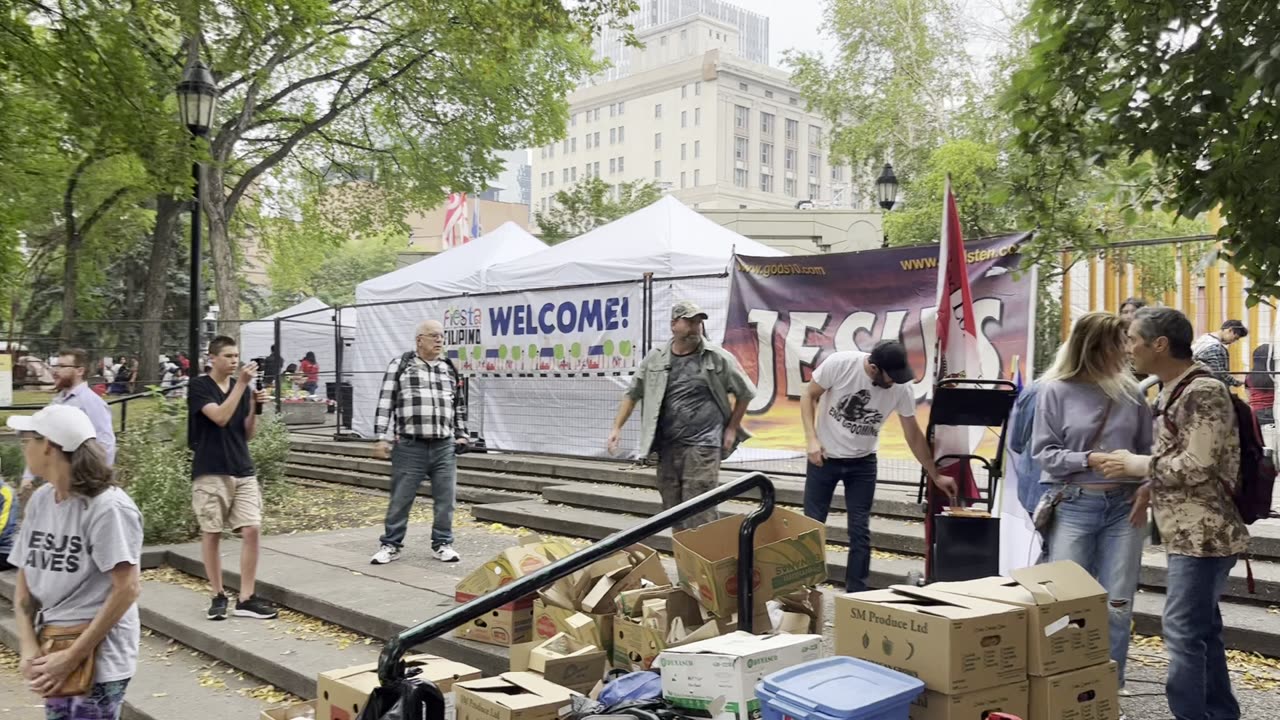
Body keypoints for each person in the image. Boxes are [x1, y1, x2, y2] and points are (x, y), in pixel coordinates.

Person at [1097, 307, 1249, 720]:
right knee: (1203, 632)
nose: (1128, 349)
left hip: (1206, 534)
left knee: (1181, 632)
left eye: (1133, 340)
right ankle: (1219, 714)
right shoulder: (1173, 388)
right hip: (1187, 530)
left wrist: (1136, 466)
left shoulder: (1203, 390)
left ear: (1159, 344)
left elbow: (1199, 464)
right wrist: (1151, 485)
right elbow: (1179, 457)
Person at [1030, 312, 1152, 689]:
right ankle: (1062, 686)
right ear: (1096, 347)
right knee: (1065, 602)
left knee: (1118, 603)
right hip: (1074, 504)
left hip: (1125, 508)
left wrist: (1147, 486)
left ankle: (1108, 689)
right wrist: (1088, 459)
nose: (1129, 350)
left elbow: (1151, 451)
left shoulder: (1132, 392)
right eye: (1121, 343)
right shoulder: (1054, 390)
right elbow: (1044, 454)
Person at [6, 404, 142, 718]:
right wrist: (28, 645)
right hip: (53, 646)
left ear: (49, 446)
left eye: (28, 440)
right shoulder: (41, 499)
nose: (24, 447)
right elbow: (25, 582)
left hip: (99, 657)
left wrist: (73, 656)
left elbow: (128, 588)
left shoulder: (109, 508)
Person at [799, 339, 955, 592]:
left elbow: (913, 434)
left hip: (863, 463)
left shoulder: (901, 388)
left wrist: (935, 474)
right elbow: (809, 396)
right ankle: (806, 590)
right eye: (889, 377)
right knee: (812, 526)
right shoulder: (840, 364)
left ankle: (857, 594)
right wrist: (811, 439)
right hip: (824, 458)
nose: (893, 382)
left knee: (859, 531)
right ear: (873, 368)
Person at [606, 301, 756, 530]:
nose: (696, 327)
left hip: (704, 445)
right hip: (667, 446)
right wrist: (617, 428)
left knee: (699, 508)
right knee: (672, 510)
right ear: (674, 324)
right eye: (690, 321)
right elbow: (633, 392)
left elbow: (745, 392)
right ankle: (685, 561)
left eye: (699, 322)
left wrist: (732, 427)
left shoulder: (717, 358)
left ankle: (705, 563)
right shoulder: (655, 359)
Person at [188, 336, 277, 621]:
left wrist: (254, 407)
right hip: (211, 469)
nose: (234, 361)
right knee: (212, 532)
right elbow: (220, 418)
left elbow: (246, 432)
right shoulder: (200, 387)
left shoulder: (244, 389)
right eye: (227, 356)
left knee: (252, 529)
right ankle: (217, 594)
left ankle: (246, 597)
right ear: (212, 358)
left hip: (242, 468)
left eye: (236, 355)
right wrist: (240, 386)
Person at [370, 320, 469, 565]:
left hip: (444, 445)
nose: (439, 341)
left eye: (441, 336)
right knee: (401, 498)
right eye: (433, 336)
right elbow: (386, 402)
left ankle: (443, 543)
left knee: (446, 500)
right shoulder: (402, 365)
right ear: (419, 340)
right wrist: (381, 437)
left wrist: (462, 433)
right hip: (410, 445)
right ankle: (391, 545)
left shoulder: (449, 368)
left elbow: (458, 405)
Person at [21, 348, 117, 493]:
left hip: (82, 485)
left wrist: (100, 484)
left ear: (80, 371)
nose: (55, 371)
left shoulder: (91, 402)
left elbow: (106, 443)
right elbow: (42, 439)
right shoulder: (58, 401)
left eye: (62, 366)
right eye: (55, 365)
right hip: (57, 482)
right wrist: (28, 475)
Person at [1192, 319, 1248, 386]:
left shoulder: (1203, 339)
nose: (1233, 341)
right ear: (1230, 330)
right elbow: (1219, 373)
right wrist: (1236, 382)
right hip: (1209, 387)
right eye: (1235, 338)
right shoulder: (1214, 347)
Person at [1246, 343, 1274, 426]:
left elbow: (1248, 395)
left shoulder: (1249, 376)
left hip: (1255, 412)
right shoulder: (1276, 376)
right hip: (1274, 411)